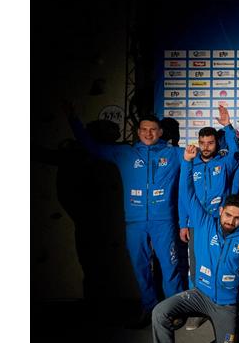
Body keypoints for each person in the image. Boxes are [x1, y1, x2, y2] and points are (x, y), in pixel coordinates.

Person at [149, 145, 239, 343]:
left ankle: (226, 324)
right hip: (199, 294)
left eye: (237, 218)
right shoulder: (204, 221)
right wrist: (187, 162)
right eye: (228, 215)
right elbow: (187, 193)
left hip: (226, 303)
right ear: (220, 211)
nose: (231, 221)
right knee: (160, 312)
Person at [69, 109, 186, 327]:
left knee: (170, 267)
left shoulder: (174, 154)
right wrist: (74, 120)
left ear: (160, 132)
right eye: (144, 129)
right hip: (134, 222)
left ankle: (175, 310)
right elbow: (92, 147)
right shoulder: (124, 153)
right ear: (138, 132)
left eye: (153, 130)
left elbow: (204, 156)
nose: (148, 133)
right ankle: (149, 307)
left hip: (163, 221)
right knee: (140, 267)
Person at [178, 106, 239, 330]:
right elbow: (184, 195)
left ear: (217, 143)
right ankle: (197, 310)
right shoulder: (191, 163)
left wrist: (227, 126)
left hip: (220, 223)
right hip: (196, 224)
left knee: (223, 263)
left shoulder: (224, 163)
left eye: (210, 143)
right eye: (202, 143)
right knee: (196, 267)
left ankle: (223, 305)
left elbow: (235, 151)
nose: (206, 147)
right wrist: (183, 223)